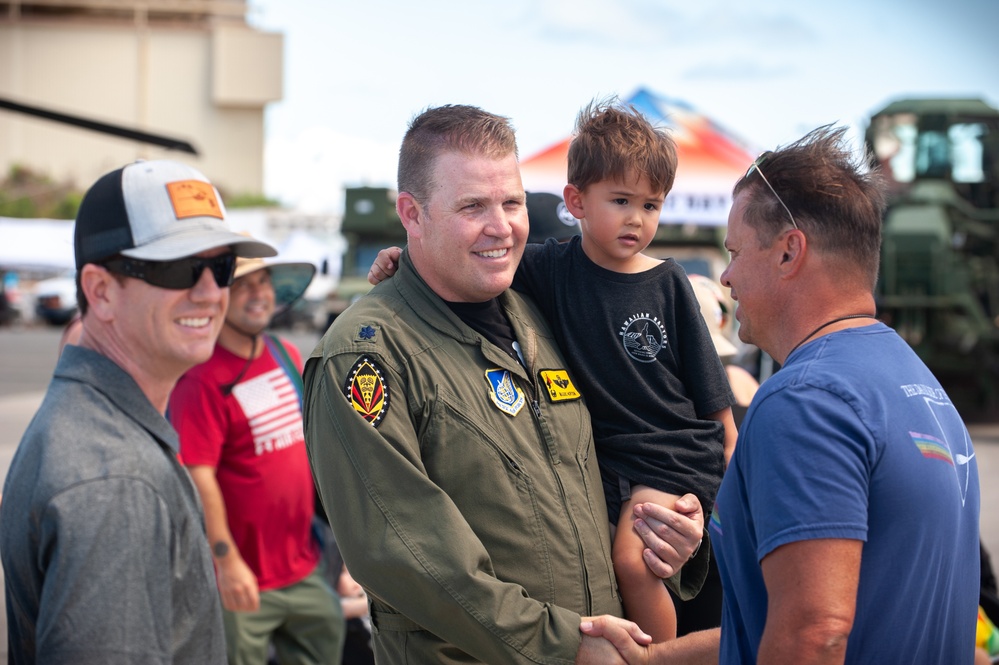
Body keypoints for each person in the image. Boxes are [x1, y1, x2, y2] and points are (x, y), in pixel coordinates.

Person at [302, 104, 705, 664]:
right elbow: (403, 554)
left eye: (512, 202)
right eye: (473, 207)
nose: (503, 226)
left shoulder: (543, 313)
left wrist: (668, 537)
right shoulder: (368, 355)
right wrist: (565, 645)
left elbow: (617, 454)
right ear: (412, 215)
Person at [585, 125, 982, 664]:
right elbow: (811, 620)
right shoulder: (915, 382)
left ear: (789, 252)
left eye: (736, 251)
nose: (725, 277)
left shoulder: (806, 400)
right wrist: (654, 660)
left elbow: (812, 636)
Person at [0, 159, 276, 663]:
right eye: (178, 267)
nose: (212, 292)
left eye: (221, 268)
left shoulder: (88, 419)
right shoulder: (115, 478)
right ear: (101, 291)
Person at [168, 252, 347, 664]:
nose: (258, 294)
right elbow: (199, 475)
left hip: (304, 566)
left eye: (264, 282)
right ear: (219, 297)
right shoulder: (200, 377)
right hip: (242, 579)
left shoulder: (284, 353)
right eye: (243, 283)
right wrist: (226, 563)